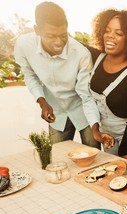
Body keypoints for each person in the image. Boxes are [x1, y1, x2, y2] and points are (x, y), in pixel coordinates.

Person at [14, 1, 100, 149]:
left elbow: (86, 95)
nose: (59, 42)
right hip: (56, 112)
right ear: (37, 30)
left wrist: (95, 127)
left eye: (63, 35)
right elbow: (30, 76)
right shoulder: (23, 45)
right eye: (51, 36)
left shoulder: (81, 54)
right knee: (57, 158)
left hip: (83, 110)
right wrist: (42, 102)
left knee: (95, 158)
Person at [87, 9, 127, 160]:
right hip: (107, 135)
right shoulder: (95, 58)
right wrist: (97, 131)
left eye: (119, 33)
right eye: (107, 30)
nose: (110, 36)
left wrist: (123, 152)